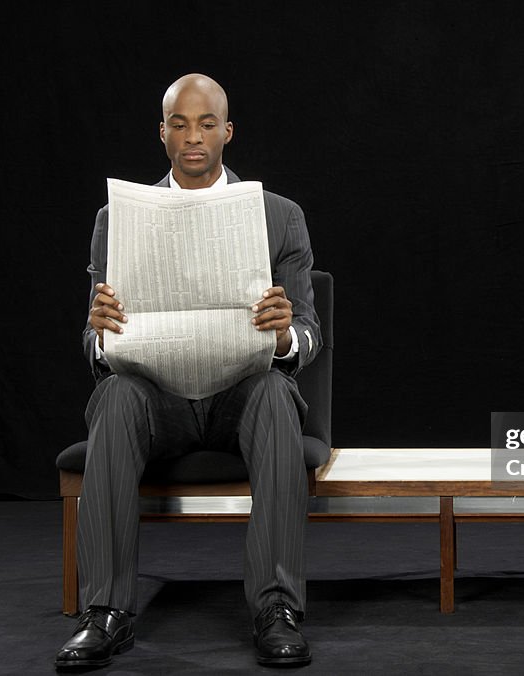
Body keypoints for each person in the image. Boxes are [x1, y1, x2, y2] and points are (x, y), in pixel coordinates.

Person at [55, 73, 320, 670]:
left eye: (206, 123)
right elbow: (92, 345)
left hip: (242, 394)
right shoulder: (117, 218)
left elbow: (308, 333)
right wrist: (98, 331)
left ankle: (277, 608)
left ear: (227, 131)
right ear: (162, 133)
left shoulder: (279, 217)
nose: (192, 136)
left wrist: (283, 334)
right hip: (158, 401)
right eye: (179, 123)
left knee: (278, 394)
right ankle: (106, 613)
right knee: (117, 396)